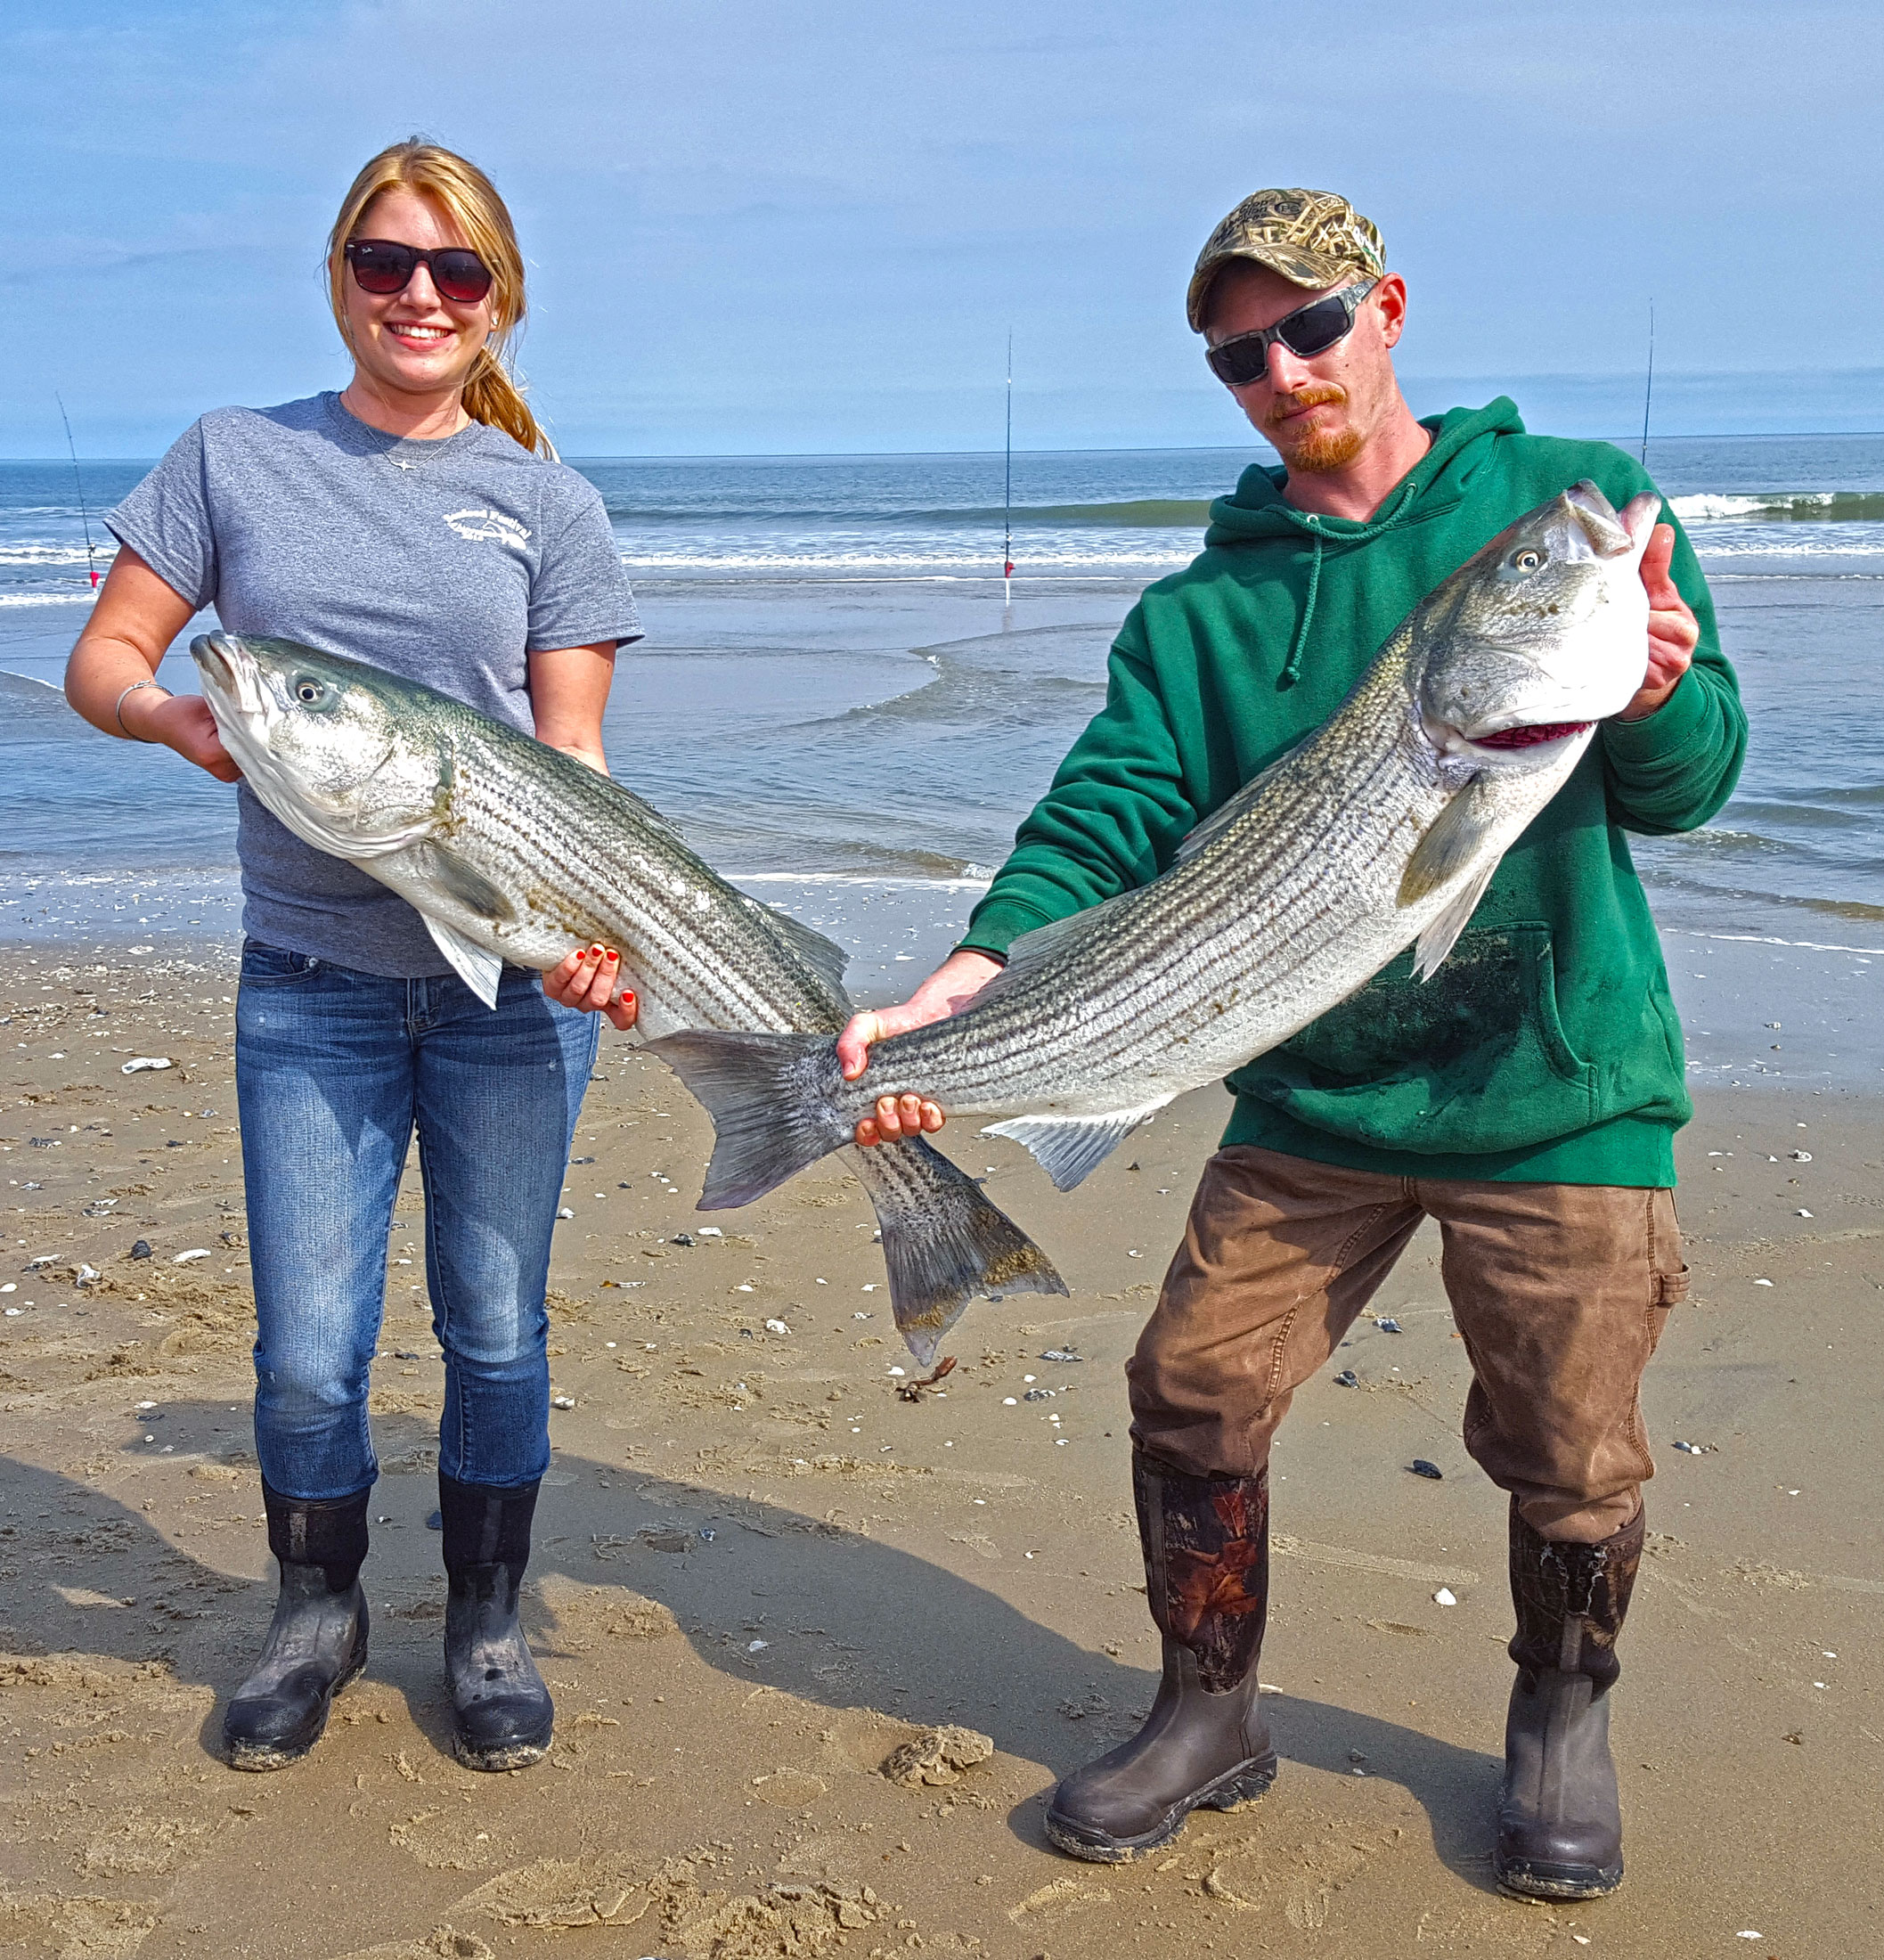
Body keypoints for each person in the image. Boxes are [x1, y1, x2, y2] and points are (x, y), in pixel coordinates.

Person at [837, 189, 1744, 1896]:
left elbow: (1691, 785)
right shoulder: (1201, 613)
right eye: (1239, 355)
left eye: (1310, 327)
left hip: (1557, 1083)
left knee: (1572, 1449)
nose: (1281, 373)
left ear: (1384, 308)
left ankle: (1560, 1722)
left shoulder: (1571, 502)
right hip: (1313, 1091)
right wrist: (975, 972)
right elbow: (1105, 812)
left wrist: (1654, 689)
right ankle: (1210, 1710)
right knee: (1190, 1388)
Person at [65, 138, 642, 1776]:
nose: (418, 295)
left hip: (511, 993)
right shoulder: (233, 457)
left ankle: (487, 1623)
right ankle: (315, 1618)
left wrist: (598, 930)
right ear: (338, 278)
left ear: (499, 299)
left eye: (455, 270)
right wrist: (175, 717)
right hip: (308, 984)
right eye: (386, 262)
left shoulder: (549, 504)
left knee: (496, 1323)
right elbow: (107, 656)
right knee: (311, 1348)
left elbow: (572, 756)